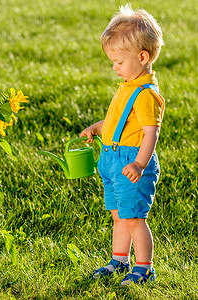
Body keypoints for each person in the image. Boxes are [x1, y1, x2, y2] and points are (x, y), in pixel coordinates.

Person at [80, 4, 165, 286]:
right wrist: (98, 128)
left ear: (143, 57)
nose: (114, 67)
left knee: (134, 218)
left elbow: (150, 133)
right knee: (119, 216)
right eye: (112, 61)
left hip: (131, 161)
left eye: (119, 61)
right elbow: (119, 122)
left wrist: (140, 164)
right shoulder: (127, 85)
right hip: (111, 159)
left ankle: (144, 268)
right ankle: (119, 260)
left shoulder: (146, 94)